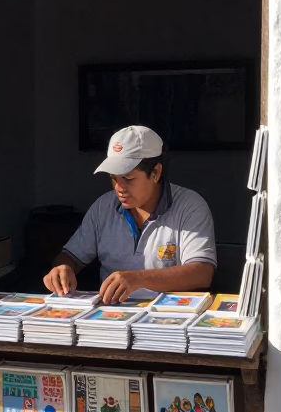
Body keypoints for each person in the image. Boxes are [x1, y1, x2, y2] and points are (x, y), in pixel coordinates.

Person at [44, 127, 217, 303]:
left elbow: (201, 273)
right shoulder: (103, 207)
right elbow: (71, 256)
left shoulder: (190, 206)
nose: (119, 188)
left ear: (155, 172)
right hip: (111, 316)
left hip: (169, 319)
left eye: (128, 178)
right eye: (113, 178)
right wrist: (62, 269)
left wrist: (137, 279)